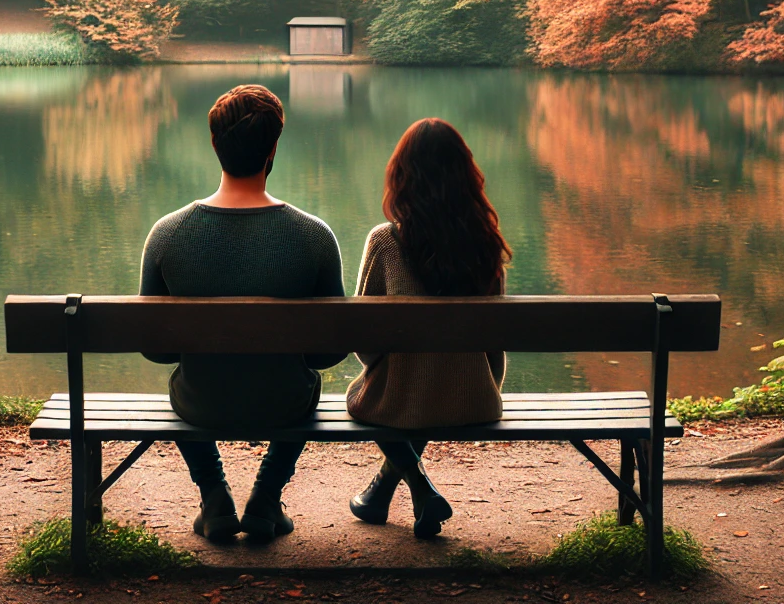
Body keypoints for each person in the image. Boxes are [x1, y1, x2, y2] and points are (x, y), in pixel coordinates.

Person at [138, 84, 347, 543]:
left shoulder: (167, 234)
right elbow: (326, 356)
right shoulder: (315, 236)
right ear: (274, 148)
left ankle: (214, 496)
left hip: (200, 401)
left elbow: (155, 351)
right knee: (305, 381)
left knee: (184, 379)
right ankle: (266, 496)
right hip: (285, 402)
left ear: (215, 145)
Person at [345, 118, 510, 538]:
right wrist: (485, 382)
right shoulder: (486, 242)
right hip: (475, 399)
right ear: (465, 177)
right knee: (416, 392)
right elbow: (496, 339)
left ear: (401, 178)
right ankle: (379, 494)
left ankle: (420, 488)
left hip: (403, 399)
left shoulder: (385, 241)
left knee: (376, 395)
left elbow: (364, 344)